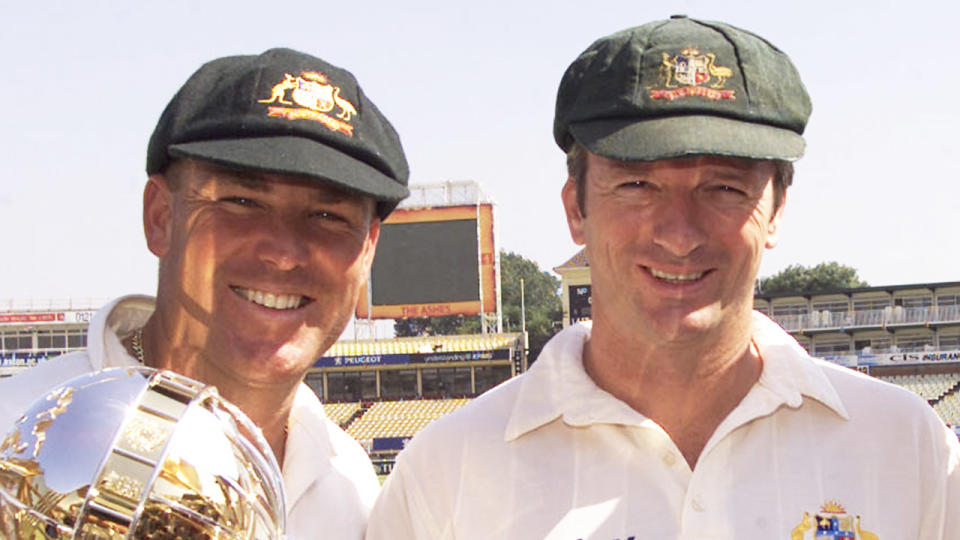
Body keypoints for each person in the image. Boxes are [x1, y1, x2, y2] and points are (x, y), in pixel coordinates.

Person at [365, 15, 959, 539]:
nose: (679, 233)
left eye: (725, 188)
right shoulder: (448, 473)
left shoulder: (908, 450)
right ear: (576, 207)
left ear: (775, 210)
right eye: (636, 185)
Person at [0, 48, 410, 539]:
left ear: (366, 251)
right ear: (160, 218)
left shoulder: (355, 488)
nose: (283, 253)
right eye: (241, 201)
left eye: (328, 216)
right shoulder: (15, 435)